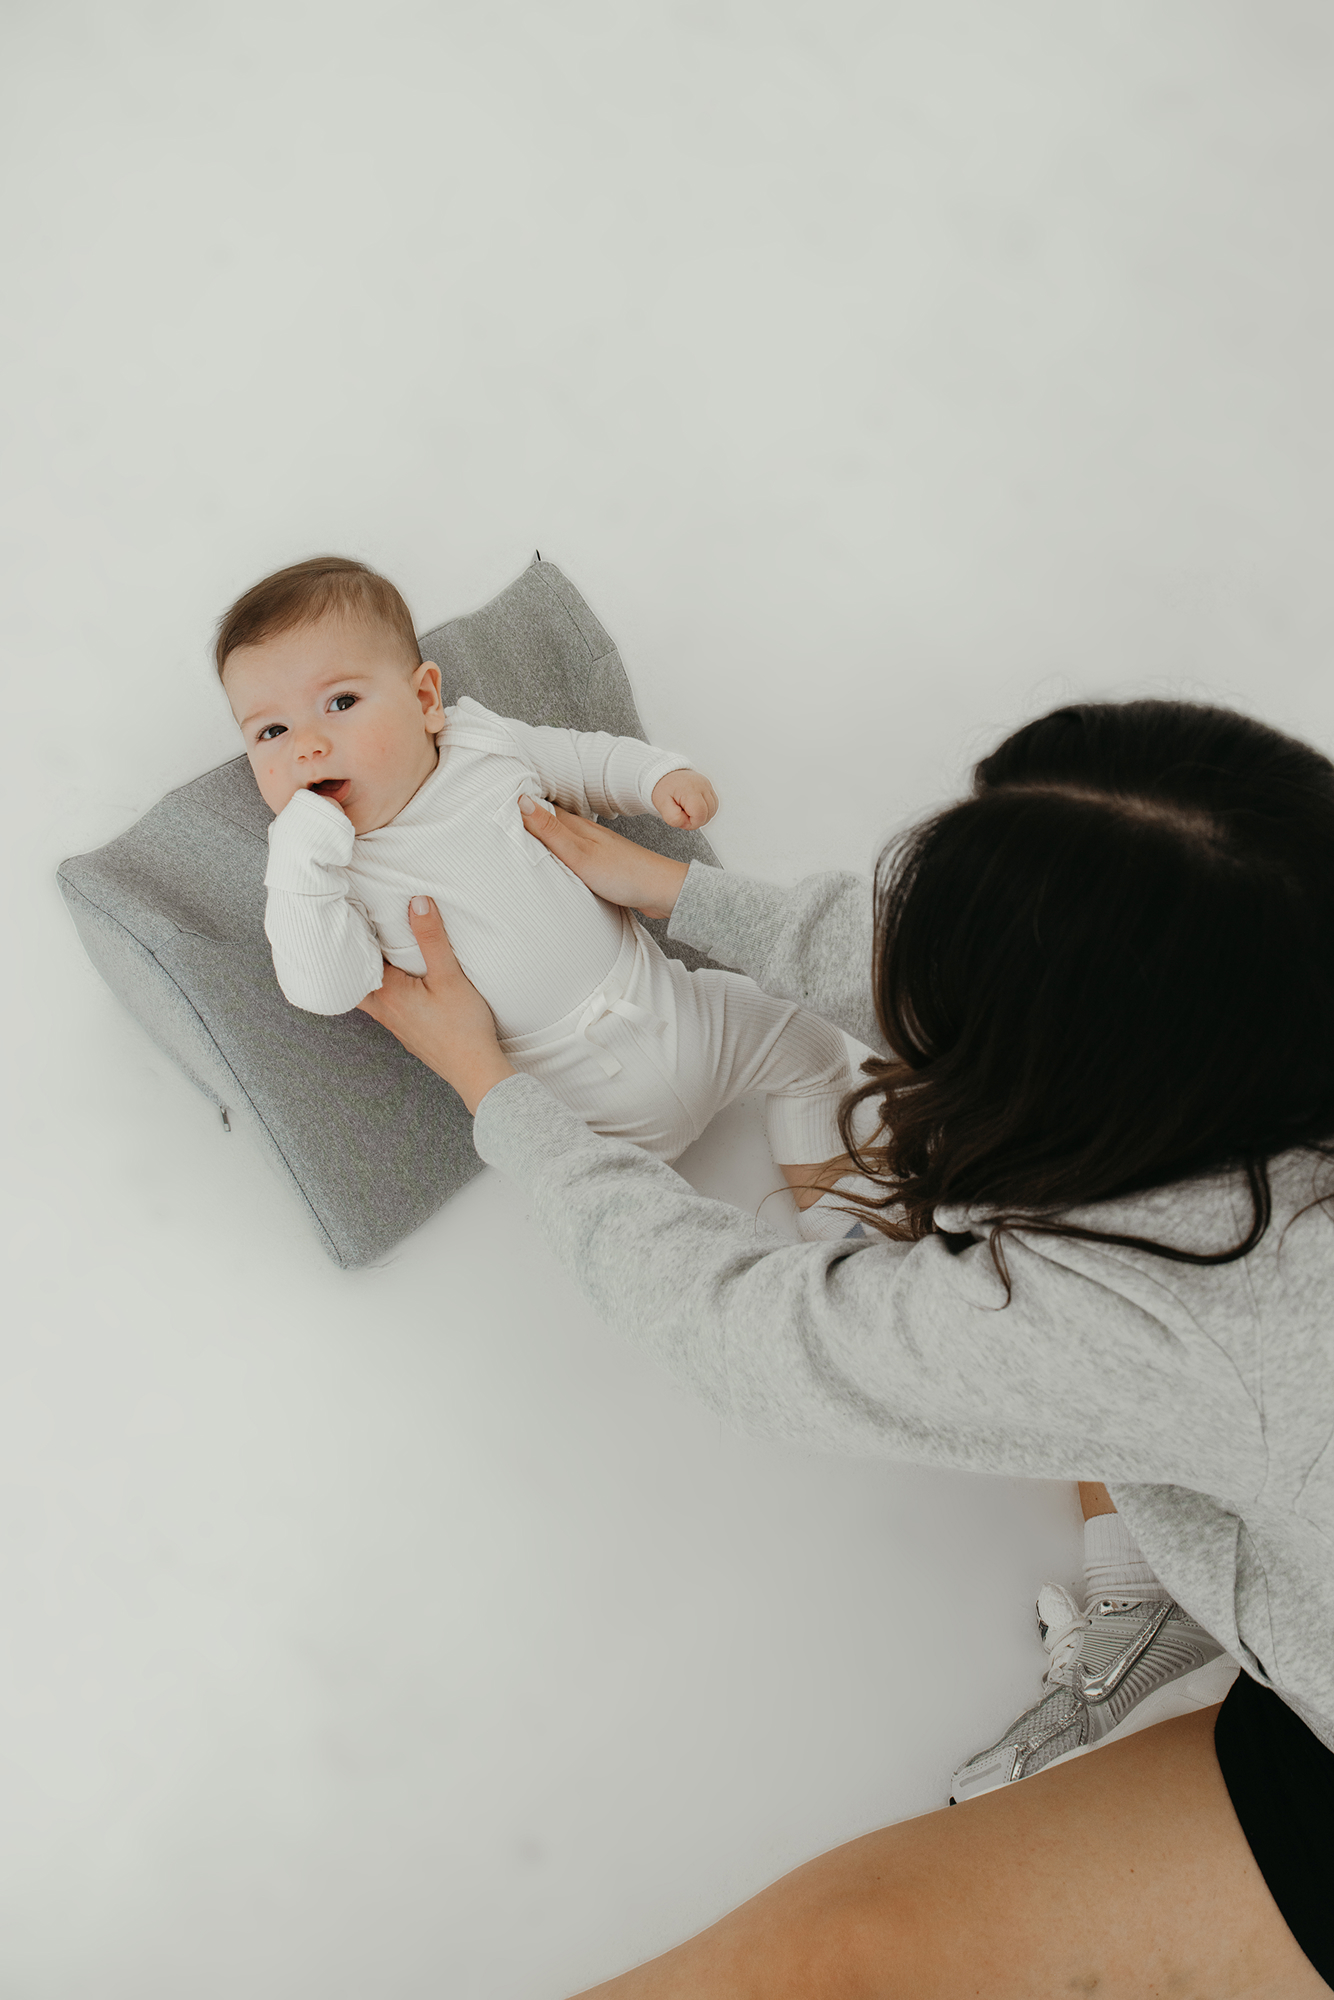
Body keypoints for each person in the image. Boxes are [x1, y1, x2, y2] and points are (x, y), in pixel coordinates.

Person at [357, 695, 1334, 1997]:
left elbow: (752, 1336)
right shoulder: (1267, 999)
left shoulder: (1180, 1312)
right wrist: (673, 891)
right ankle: (1177, 1593)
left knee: (830, 1965)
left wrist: (504, 1098)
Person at [215, 555, 868, 1238]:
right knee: (620, 1224)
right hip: (575, 1111)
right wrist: (298, 862)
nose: (308, 747)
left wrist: (656, 776)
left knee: (813, 1041)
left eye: (340, 703)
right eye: (271, 732)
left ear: (425, 700)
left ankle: (836, 1216)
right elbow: (324, 983)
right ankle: (711, 1259)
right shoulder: (331, 876)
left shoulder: (481, 741)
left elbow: (581, 761)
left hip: (680, 1009)